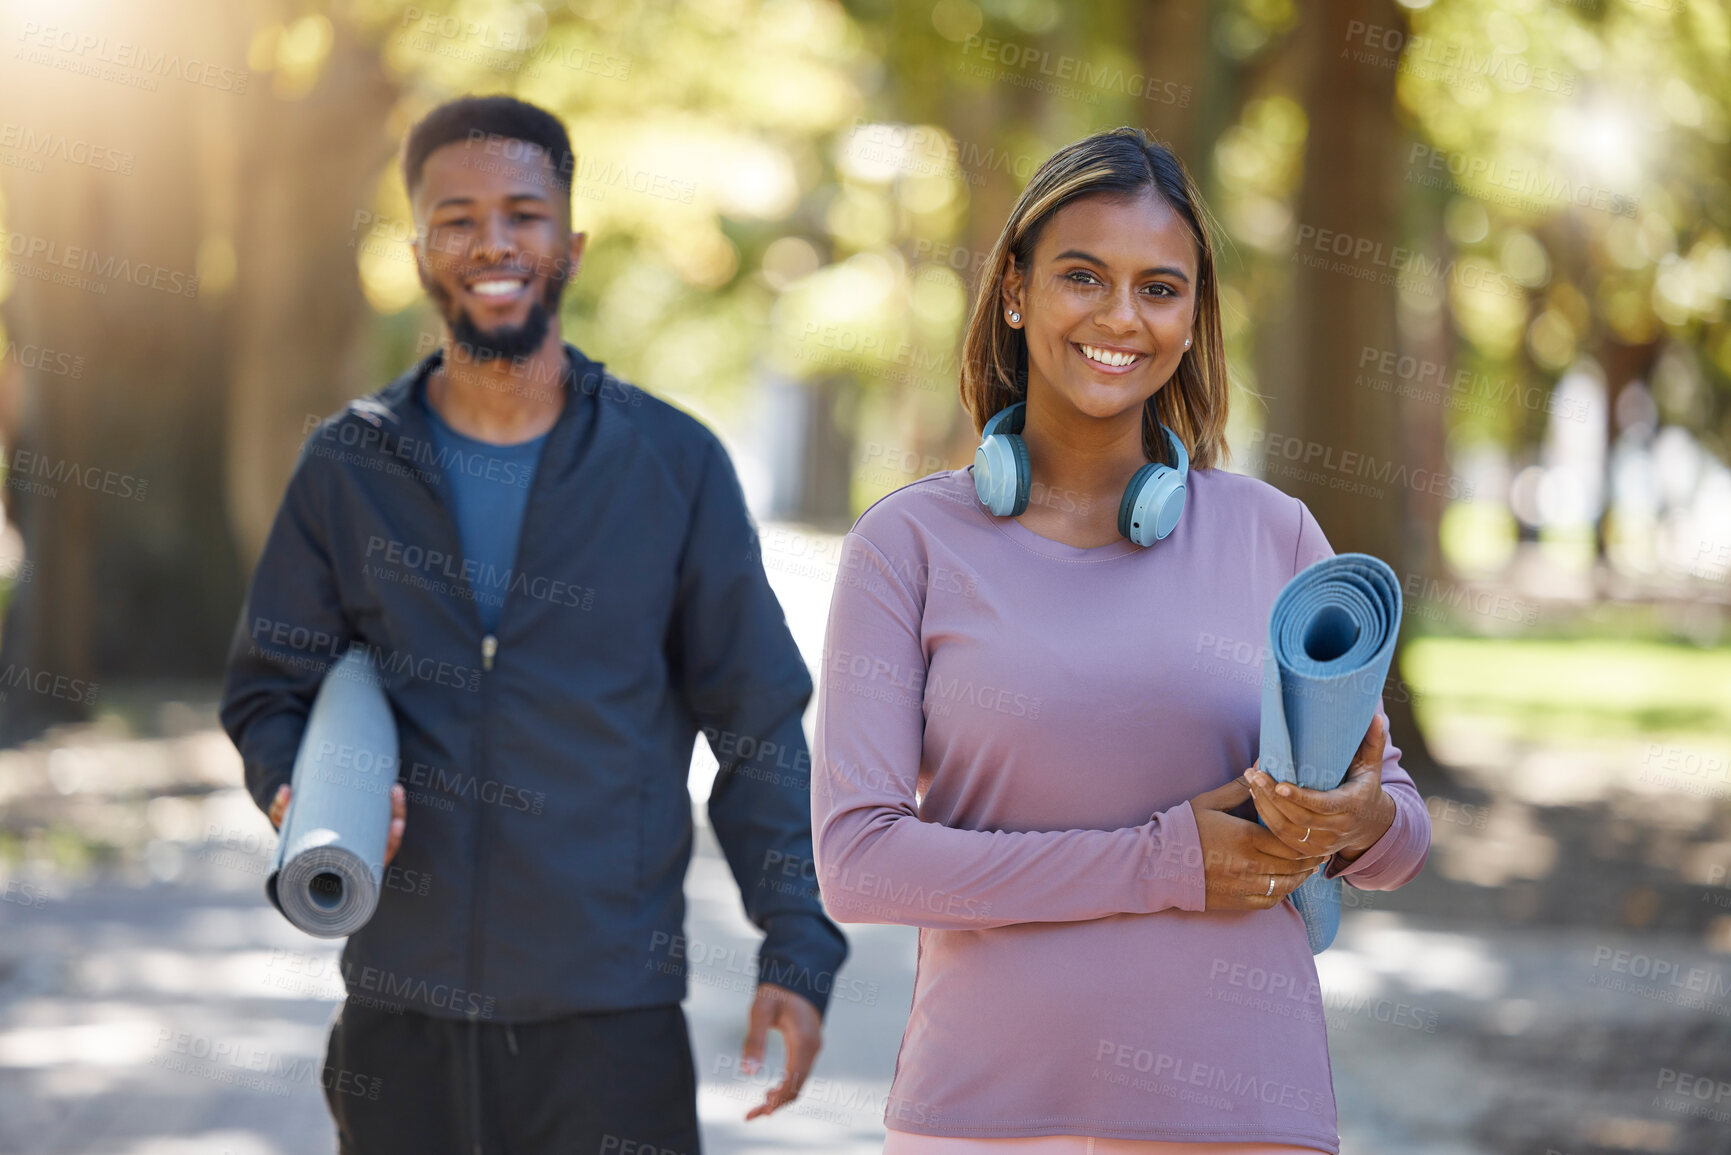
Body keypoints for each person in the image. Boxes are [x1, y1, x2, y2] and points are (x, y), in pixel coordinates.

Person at [221, 94, 847, 1155]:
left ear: (573, 242)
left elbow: (755, 721)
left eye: (524, 211)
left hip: (610, 1028)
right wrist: (295, 783)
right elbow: (270, 688)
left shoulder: (673, 463)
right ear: (421, 249)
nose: (493, 242)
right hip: (399, 1018)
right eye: (457, 217)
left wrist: (796, 943)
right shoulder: (349, 465)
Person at [810, 127, 1431, 1154]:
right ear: (1014, 291)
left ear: (1192, 317)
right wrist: (1160, 862)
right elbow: (861, 863)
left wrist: (1354, 819)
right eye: (1083, 277)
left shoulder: (1274, 534)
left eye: (1159, 288)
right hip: (987, 1110)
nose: (1119, 317)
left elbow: (1398, 840)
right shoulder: (907, 545)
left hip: (1245, 1109)